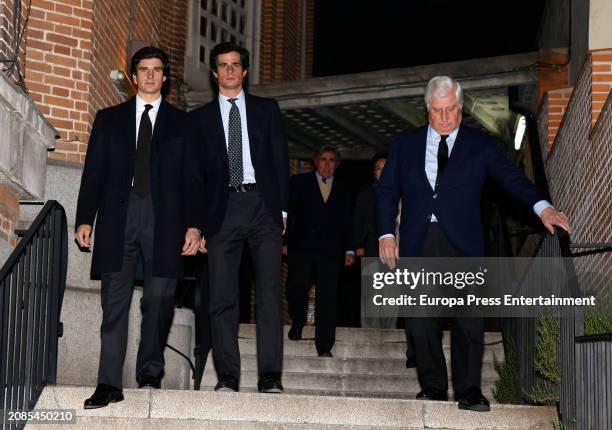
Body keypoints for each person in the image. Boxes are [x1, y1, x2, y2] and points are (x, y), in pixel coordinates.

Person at [377, 75, 571, 411]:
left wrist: (543, 208)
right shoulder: (405, 144)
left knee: (469, 320)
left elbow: (511, 179)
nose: (445, 117)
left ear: (460, 107)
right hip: (419, 242)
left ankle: (469, 391)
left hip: (463, 245)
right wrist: (386, 234)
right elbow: (387, 191)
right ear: (427, 109)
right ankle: (434, 386)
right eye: (438, 111)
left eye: (451, 109)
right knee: (420, 321)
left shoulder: (478, 146)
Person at [75, 46, 201, 409]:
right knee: (114, 302)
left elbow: (193, 180)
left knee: (160, 298)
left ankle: (150, 370)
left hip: (166, 221)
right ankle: (108, 383)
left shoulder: (183, 124)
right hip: (119, 216)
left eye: (156, 70)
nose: (149, 75)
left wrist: (194, 226)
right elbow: (93, 172)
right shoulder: (109, 119)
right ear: (134, 76)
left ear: (165, 77)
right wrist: (85, 218)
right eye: (142, 70)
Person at [186, 42, 289, 394]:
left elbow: (279, 160)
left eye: (235, 65)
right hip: (222, 210)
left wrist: (283, 211)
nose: (229, 70)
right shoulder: (198, 120)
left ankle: (270, 377)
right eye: (223, 66)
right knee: (222, 298)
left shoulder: (267, 110)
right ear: (214, 74)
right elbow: (194, 178)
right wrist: (196, 225)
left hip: (263, 207)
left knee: (269, 296)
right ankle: (227, 377)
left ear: (244, 71)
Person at [285, 146, 355, 357]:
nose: (327, 164)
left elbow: (347, 221)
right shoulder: (298, 182)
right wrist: (284, 240)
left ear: (338, 164)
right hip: (301, 246)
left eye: (332, 160)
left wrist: (349, 248)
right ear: (316, 161)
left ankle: (324, 345)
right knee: (296, 288)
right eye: (323, 159)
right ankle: (298, 322)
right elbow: (287, 213)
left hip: (331, 250)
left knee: (327, 296)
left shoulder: (344, 187)